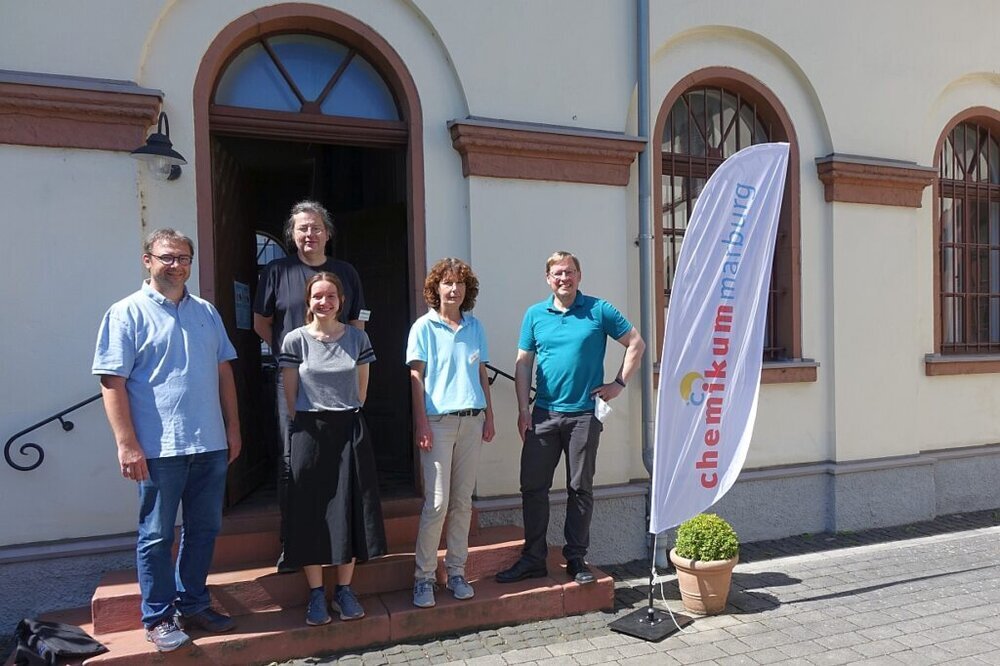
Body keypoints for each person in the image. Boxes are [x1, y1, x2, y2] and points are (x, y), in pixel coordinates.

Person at [92, 229, 241, 652]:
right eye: (167, 257)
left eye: (184, 258)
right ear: (147, 260)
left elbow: (224, 371)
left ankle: (193, 602)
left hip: (209, 443)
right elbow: (112, 382)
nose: (176, 265)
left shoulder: (207, 312)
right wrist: (127, 443)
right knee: (156, 535)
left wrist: (233, 428)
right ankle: (158, 616)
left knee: (204, 529)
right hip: (159, 449)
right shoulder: (126, 314)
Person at [496, 251, 645, 585]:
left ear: (579, 276)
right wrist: (523, 409)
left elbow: (636, 343)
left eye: (570, 272)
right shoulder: (535, 314)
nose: (564, 278)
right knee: (533, 487)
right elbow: (523, 363)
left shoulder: (599, 309)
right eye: (557, 273)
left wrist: (618, 384)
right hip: (544, 414)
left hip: (583, 416)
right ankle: (533, 558)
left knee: (580, 488)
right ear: (548, 279)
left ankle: (576, 559)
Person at [253, 200, 367, 571]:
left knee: (341, 466)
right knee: (294, 465)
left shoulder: (345, 272)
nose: (309, 234)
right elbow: (260, 321)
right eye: (302, 228)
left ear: (328, 233)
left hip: (339, 386)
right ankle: (293, 544)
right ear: (292, 235)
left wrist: (348, 361)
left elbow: (358, 322)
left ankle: (346, 541)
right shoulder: (276, 270)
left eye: (316, 227)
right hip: (295, 383)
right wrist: (292, 357)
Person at [278, 272, 386, 626]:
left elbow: (363, 392)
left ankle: (343, 590)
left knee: (350, 509)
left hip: (349, 430)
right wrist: (311, 423)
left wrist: (341, 413)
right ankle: (314, 595)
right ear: (308, 302)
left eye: (331, 296)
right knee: (310, 512)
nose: (324, 302)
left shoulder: (357, 338)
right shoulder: (295, 340)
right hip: (310, 431)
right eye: (317, 297)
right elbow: (290, 397)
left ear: (341, 300)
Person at [407, 259, 496, 608]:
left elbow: (481, 372)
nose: (453, 289)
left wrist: (489, 416)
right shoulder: (423, 328)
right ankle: (424, 578)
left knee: (462, 503)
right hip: (438, 423)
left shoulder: (475, 327)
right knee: (438, 501)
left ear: (466, 290)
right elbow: (416, 378)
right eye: (447, 283)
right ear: (436, 288)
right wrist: (421, 423)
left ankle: (456, 571)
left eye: (459, 283)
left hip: (472, 421)